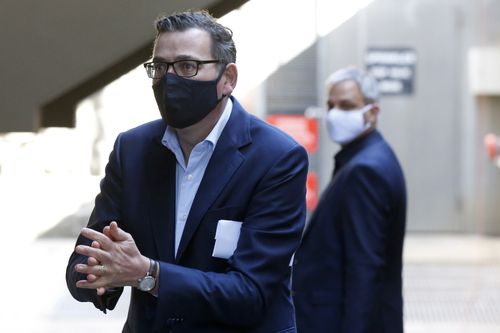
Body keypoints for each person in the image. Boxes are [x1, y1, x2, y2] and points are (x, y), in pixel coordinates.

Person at [66, 10, 308, 333]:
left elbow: (251, 293)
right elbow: (83, 262)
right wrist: (100, 274)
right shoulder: (133, 150)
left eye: (187, 66)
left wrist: (147, 274)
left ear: (228, 79)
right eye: (160, 67)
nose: (169, 79)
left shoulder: (277, 159)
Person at [292, 67, 407, 333]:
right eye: (330, 105)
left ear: (373, 112)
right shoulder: (363, 159)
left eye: (346, 105)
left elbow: (364, 268)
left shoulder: (365, 171)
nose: (334, 114)